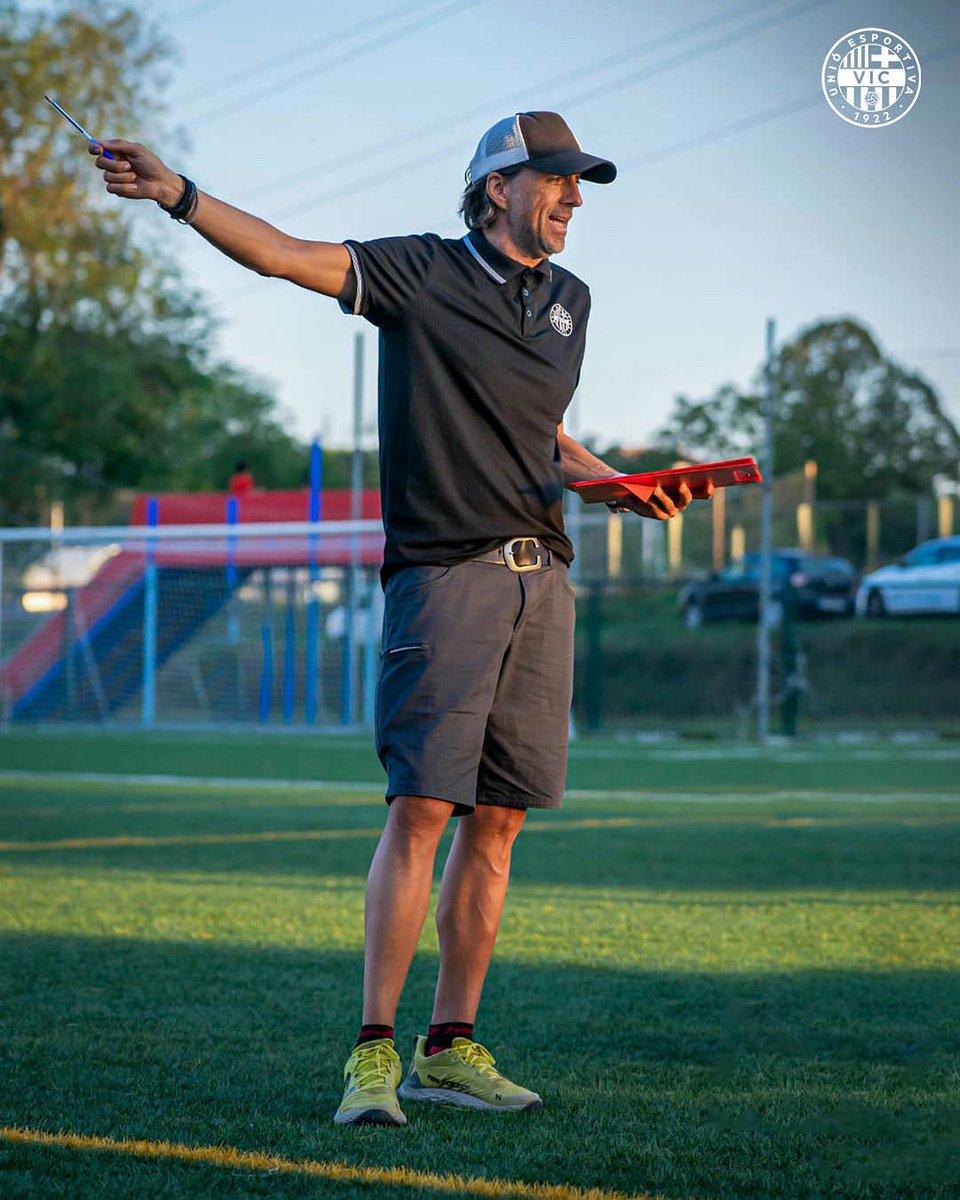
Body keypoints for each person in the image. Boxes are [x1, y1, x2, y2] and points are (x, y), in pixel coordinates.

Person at [90, 110, 705, 1126]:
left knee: (500, 823)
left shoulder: (572, 302)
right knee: (424, 807)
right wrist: (179, 195)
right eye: (555, 180)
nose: (573, 199)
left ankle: (450, 1048)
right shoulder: (421, 273)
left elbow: (540, 437)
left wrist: (621, 485)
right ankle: (374, 1052)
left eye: (579, 185)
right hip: (446, 577)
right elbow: (285, 256)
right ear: (498, 185)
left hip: (541, 578)